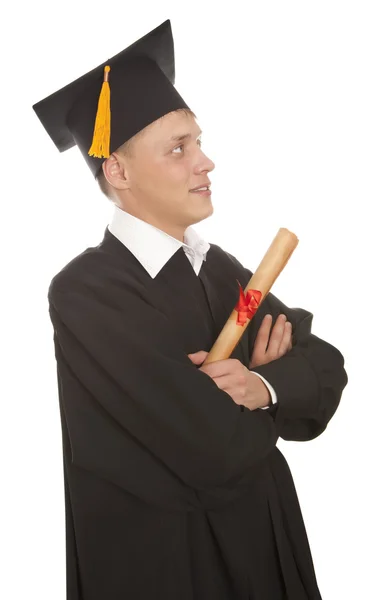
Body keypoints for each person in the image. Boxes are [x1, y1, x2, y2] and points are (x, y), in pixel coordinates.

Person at [33, 19, 348, 600]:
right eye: (179, 148)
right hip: (164, 571)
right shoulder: (86, 293)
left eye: (198, 142)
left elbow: (326, 368)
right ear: (118, 172)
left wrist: (259, 387)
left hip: (267, 556)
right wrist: (271, 391)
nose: (206, 162)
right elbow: (210, 449)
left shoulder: (223, 269)